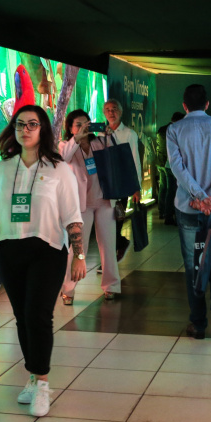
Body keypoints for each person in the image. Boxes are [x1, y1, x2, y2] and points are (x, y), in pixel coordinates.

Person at [0, 105, 84, 417]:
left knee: (38, 315)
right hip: (10, 250)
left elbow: (73, 217)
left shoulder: (60, 169)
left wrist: (79, 255)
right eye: (20, 124)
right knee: (22, 317)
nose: (26, 129)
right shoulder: (3, 169)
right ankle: (33, 377)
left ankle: (44, 383)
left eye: (33, 124)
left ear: (43, 129)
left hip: (47, 251)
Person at [167, 84, 211, 339]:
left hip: (188, 207)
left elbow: (177, 167)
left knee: (194, 263)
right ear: (207, 105)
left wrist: (198, 196)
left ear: (185, 106)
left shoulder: (175, 129)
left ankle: (198, 323)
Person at [59, 110, 119, 302]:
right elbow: (62, 160)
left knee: (108, 245)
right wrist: (76, 139)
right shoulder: (65, 145)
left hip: (103, 200)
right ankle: (68, 289)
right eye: (78, 124)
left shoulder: (98, 142)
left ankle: (111, 285)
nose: (84, 128)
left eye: (87, 124)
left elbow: (112, 158)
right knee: (78, 248)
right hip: (80, 205)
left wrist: (109, 135)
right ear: (70, 127)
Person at [103, 99, 141, 261]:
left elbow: (135, 160)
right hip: (104, 185)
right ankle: (120, 243)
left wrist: (136, 187)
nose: (111, 112)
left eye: (114, 109)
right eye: (108, 110)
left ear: (120, 112)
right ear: (104, 113)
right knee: (105, 223)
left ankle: (110, 259)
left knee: (117, 221)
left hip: (121, 186)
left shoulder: (129, 134)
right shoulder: (100, 134)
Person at [156, 112, 184, 226]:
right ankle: (169, 215)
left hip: (161, 162)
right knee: (172, 190)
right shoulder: (175, 130)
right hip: (170, 164)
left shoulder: (162, 129)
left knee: (164, 188)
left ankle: (162, 211)